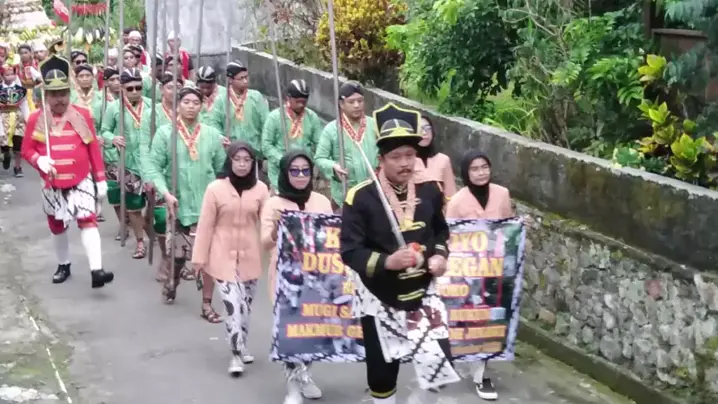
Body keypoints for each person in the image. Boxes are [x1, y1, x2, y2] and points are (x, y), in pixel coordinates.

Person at [340, 103, 459, 403]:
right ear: (380, 160)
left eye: (410, 155)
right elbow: (350, 251)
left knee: (439, 367)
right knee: (382, 376)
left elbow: (440, 232)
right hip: (380, 296)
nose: (405, 163)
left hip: (423, 293)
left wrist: (439, 255)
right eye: (396, 157)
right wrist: (387, 262)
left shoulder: (430, 191)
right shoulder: (360, 198)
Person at [20, 54, 113, 288]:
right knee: (57, 226)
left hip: (81, 178)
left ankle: (97, 270)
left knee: (88, 220)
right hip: (51, 182)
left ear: (69, 92)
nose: (59, 99)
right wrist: (39, 160)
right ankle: (64, 264)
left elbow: (93, 148)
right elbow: (26, 150)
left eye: (63, 93)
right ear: (46, 95)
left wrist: (100, 179)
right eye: (54, 94)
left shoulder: (83, 114)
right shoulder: (36, 118)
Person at [144, 87, 225, 308]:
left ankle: (206, 303)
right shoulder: (165, 133)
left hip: (207, 204)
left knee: (208, 255)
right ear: (178, 105)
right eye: (186, 102)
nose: (191, 106)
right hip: (178, 203)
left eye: (195, 102)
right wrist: (165, 193)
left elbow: (221, 169)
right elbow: (154, 166)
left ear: (202, 106)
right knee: (178, 255)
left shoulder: (212, 135)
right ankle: (173, 279)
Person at [192, 141, 269, 376]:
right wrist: (199, 259)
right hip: (221, 255)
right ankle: (235, 354)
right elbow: (205, 225)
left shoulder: (261, 190)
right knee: (232, 307)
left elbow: (267, 222)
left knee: (244, 308)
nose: (242, 164)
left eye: (247, 160)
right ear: (230, 161)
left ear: (253, 163)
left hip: (250, 256)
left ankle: (242, 343)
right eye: (237, 159)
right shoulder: (215, 189)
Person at [260, 150, 330, 403]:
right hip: (284, 277)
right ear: (285, 173)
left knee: (311, 330)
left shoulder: (322, 202)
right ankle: (292, 387)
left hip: (316, 276)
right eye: (294, 170)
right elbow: (265, 243)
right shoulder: (273, 204)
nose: (300, 175)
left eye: (305, 171)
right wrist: (277, 230)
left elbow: (330, 237)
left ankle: (305, 375)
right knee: (290, 331)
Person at [445, 150, 513, 402]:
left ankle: (481, 371)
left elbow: (509, 228)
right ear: (466, 172)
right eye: (474, 168)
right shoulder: (457, 201)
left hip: (495, 271)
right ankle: (474, 368)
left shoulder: (502, 194)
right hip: (468, 273)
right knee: (473, 322)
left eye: (484, 167)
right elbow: (449, 237)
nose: (481, 172)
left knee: (490, 322)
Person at [101, 67, 153, 258]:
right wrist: (112, 138)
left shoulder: (151, 106)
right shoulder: (114, 108)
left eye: (138, 87)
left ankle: (148, 225)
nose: (134, 92)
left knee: (156, 205)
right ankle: (140, 242)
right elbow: (104, 131)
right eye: (130, 88)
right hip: (129, 164)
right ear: (122, 88)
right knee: (133, 206)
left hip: (152, 164)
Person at [315, 81, 378, 211]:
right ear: (341, 104)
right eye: (351, 102)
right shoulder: (332, 129)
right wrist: (333, 167)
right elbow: (320, 158)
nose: (357, 105)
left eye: (360, 101)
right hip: (344, 195)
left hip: (375, 191)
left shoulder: (375, 125)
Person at [261, 79, 322, 192]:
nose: (301, 105)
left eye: (304, 102)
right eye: (298, 101)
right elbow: (266, 145)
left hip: (303, 173)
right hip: (279, 174)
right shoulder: (274, 117)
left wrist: (310, 160)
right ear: (288, 98)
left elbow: (319, 144)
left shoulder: (312, 117)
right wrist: (283, 161)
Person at [211, 61, 268, 158]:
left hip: (255, 151)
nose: (245, 81)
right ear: (230, 80)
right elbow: (214, 125)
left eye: (246, 77)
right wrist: (220, 138)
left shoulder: (256, 97)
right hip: (230, 153)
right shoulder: (221, 100)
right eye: (241, 78)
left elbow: (266, 123)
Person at [415, 116, 456, 203]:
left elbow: (451, 196)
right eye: (419, 129)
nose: (424, 132)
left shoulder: (443, 160)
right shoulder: (406, 162)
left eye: (427, 128)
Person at [0, 63, 31, 177]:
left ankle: (18, 167)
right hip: (3, 117)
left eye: (12, 74)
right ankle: (6, 154)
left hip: (18, 118)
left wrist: (28, 119)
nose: (10, 77)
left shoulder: (20, 90)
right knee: (4, 143)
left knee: (19, 144)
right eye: (7, 75)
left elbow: (24, 105)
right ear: (2, 75)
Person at [16, 44, 42, 112]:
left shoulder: (38, 63)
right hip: (24, 93)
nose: (23, 55)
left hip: (38, 91)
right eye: (21, 53)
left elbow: (41, 79)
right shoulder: (17, 67)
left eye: (25, 52)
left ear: (30, 53)